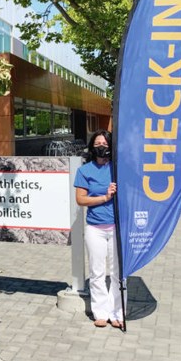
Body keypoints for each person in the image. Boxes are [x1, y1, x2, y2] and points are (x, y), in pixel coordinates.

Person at [74, 129, 124, 329]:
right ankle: (101, 312)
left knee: (118, 273)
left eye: (105, 143)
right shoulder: (85, 171)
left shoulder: (118, 169)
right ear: (92, 147)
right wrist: (104, 197)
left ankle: (118, 312)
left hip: (117, 228)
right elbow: (80, 199)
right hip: (95, 228)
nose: (101, 147)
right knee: (97, 272)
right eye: (97, 144)